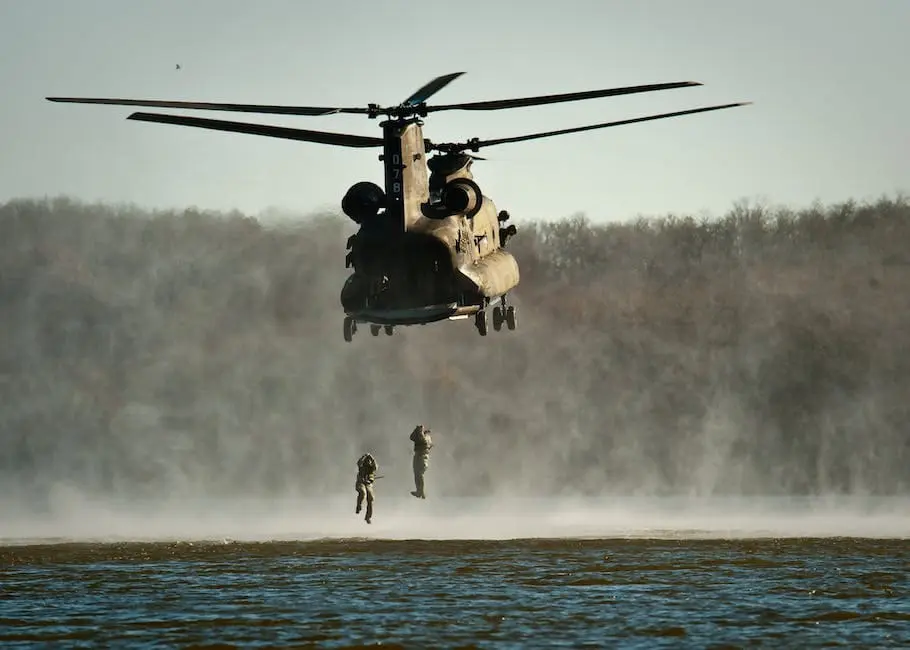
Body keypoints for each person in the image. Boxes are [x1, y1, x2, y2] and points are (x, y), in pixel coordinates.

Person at [409, 424, 433, 499]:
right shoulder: (425, 437)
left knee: (419, 473)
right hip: (421, 456)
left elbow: (413, 437)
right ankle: (420, 491)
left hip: (421, 456)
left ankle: (420, 491)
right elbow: (412, 437)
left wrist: (418, 430)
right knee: (417, 474)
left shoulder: (424, 438)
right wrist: (418, 431)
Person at [355, 453, 378, 524]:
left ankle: (368, 517)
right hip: (360, 483)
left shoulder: (372, 469)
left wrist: (372, 457)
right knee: (362, 492)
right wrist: (364, 456)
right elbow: (359, 463)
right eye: (367, 461)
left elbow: (375, 466)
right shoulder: (361, 467)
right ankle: (359, 506)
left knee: (370, 499)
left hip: (368, 484)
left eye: (369, 461)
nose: (368, 462)